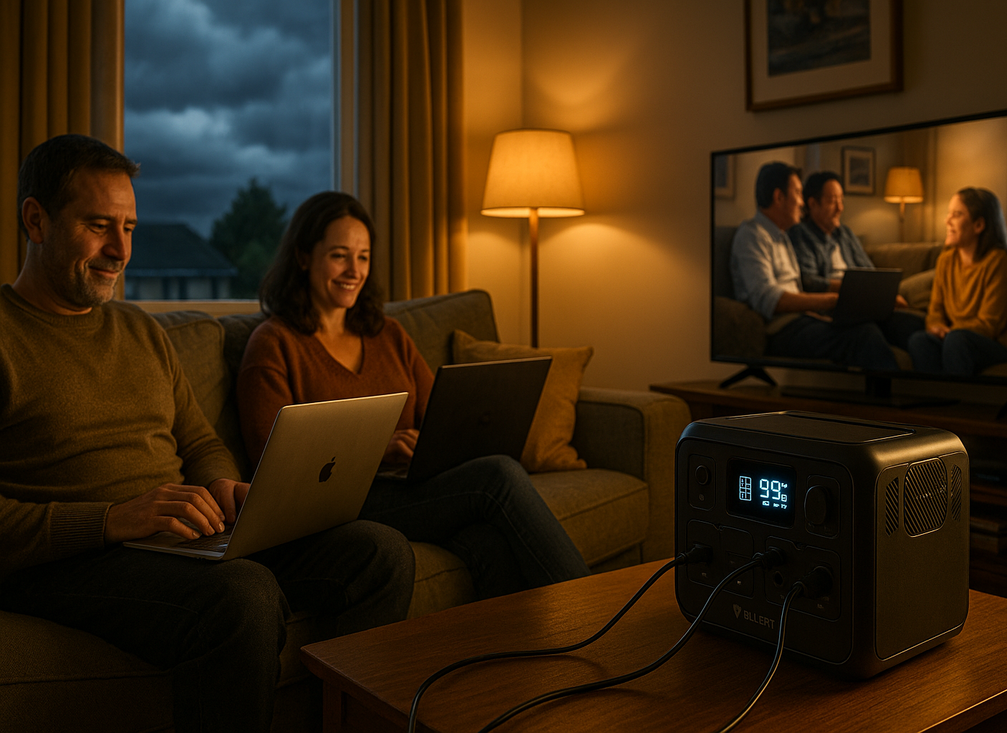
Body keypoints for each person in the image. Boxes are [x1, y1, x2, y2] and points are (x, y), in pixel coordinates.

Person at [0, 135, 415, 733]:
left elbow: (198, 441)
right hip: (71, 560)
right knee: (243, 593)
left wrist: (225, 484)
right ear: (35, 220)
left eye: (131, 228)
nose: (120, 250)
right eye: (98, 226)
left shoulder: (140, 331)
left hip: (179, 538)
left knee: (378, 551)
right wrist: (113, 519)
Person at [236, 191, 590, 602]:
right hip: (343, 507)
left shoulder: (387, 333)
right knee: (498, 475)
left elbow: (439, 414)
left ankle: (512, 658)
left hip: (409, 486)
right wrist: (377, 449)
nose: (354, 270)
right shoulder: (274, 345)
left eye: (364, 256)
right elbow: (274, 469)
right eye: (339, 255)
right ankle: (593, 611)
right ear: (303, 256)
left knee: (487, 541)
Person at [729, 161, 899, 371]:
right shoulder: (752, 235)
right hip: (783, 330)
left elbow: (796, 289)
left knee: (885, 324)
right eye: (798, 193)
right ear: (779, 197)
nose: (802, 203)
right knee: (864, 335)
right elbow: (768, 299)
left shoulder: (781, 236)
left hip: (805, 319)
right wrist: (831, 301)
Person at [788, 170, 924, 349]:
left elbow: (869, 272)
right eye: (832, 201)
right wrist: (851, 286)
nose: (840, 208)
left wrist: (885, 295)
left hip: (866, 303)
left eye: (841, 200)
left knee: (915, 325)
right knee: (868, 332)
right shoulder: (801, 234)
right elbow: (810, 281)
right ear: (812, 204)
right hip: (833, 307)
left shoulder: (845, 234)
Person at [908, 187, 1007, 375]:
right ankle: (933, 399)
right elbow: (935, 310)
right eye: (948, 214)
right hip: (953, 336)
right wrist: (936, 327)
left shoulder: (997, 261)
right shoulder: (945, 260)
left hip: (995, 343)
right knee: (919, 340)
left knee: (957, 341)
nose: (947, 221)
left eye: (957, 214)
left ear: (978, 225)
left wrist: (950, 332)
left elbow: (990, 324)